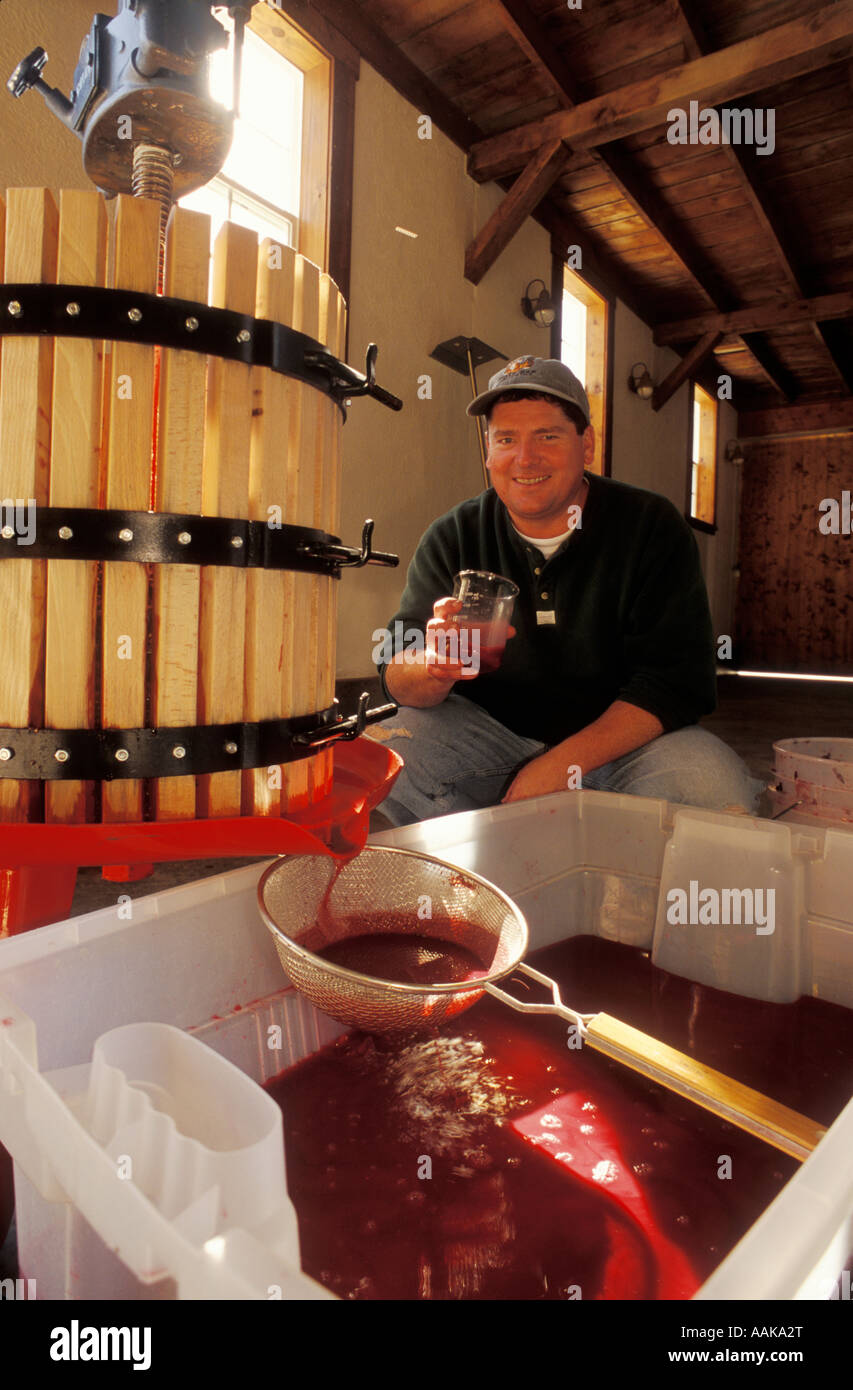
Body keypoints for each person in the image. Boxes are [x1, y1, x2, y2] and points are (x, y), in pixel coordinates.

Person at [370, 355, 763, 827]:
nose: (525, 458)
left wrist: (561, 766)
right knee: (376, 754)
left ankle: (610, 876)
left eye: (547, 436)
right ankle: (478, 873)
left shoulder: (649, 526)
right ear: (488, 453)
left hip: (630, 748)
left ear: (588, 445)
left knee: (713, 792)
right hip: (491, 740)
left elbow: (676, 682)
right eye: (506, 439)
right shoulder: (454, 534)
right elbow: (396, 672)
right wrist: (433, 666)